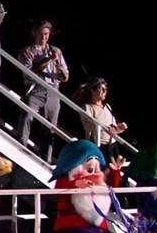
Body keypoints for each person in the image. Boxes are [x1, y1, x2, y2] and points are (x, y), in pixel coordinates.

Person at [16, 20, 69, 152]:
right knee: (27, 116)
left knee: (50, 127)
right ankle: (21, 147)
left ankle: (46, 158)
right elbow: (31, 72)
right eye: (41, 34)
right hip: (35, 88)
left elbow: (66, 77)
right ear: (34, 33)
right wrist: (48, 59)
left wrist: (62, 72)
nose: (44, 37)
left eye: (46, 34)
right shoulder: (27, 51)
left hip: (53, 90)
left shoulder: (55, 50)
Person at [75, 76, 126, 148]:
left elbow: (113, 129)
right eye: (101, 89)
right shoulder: (87, 107)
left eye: (106, 89)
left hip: (112, 145)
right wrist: (107, 128)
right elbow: (89, 126)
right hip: (97, 145)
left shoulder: (107, 106)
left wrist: (119, 128)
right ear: (93, 91)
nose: (105, 91)